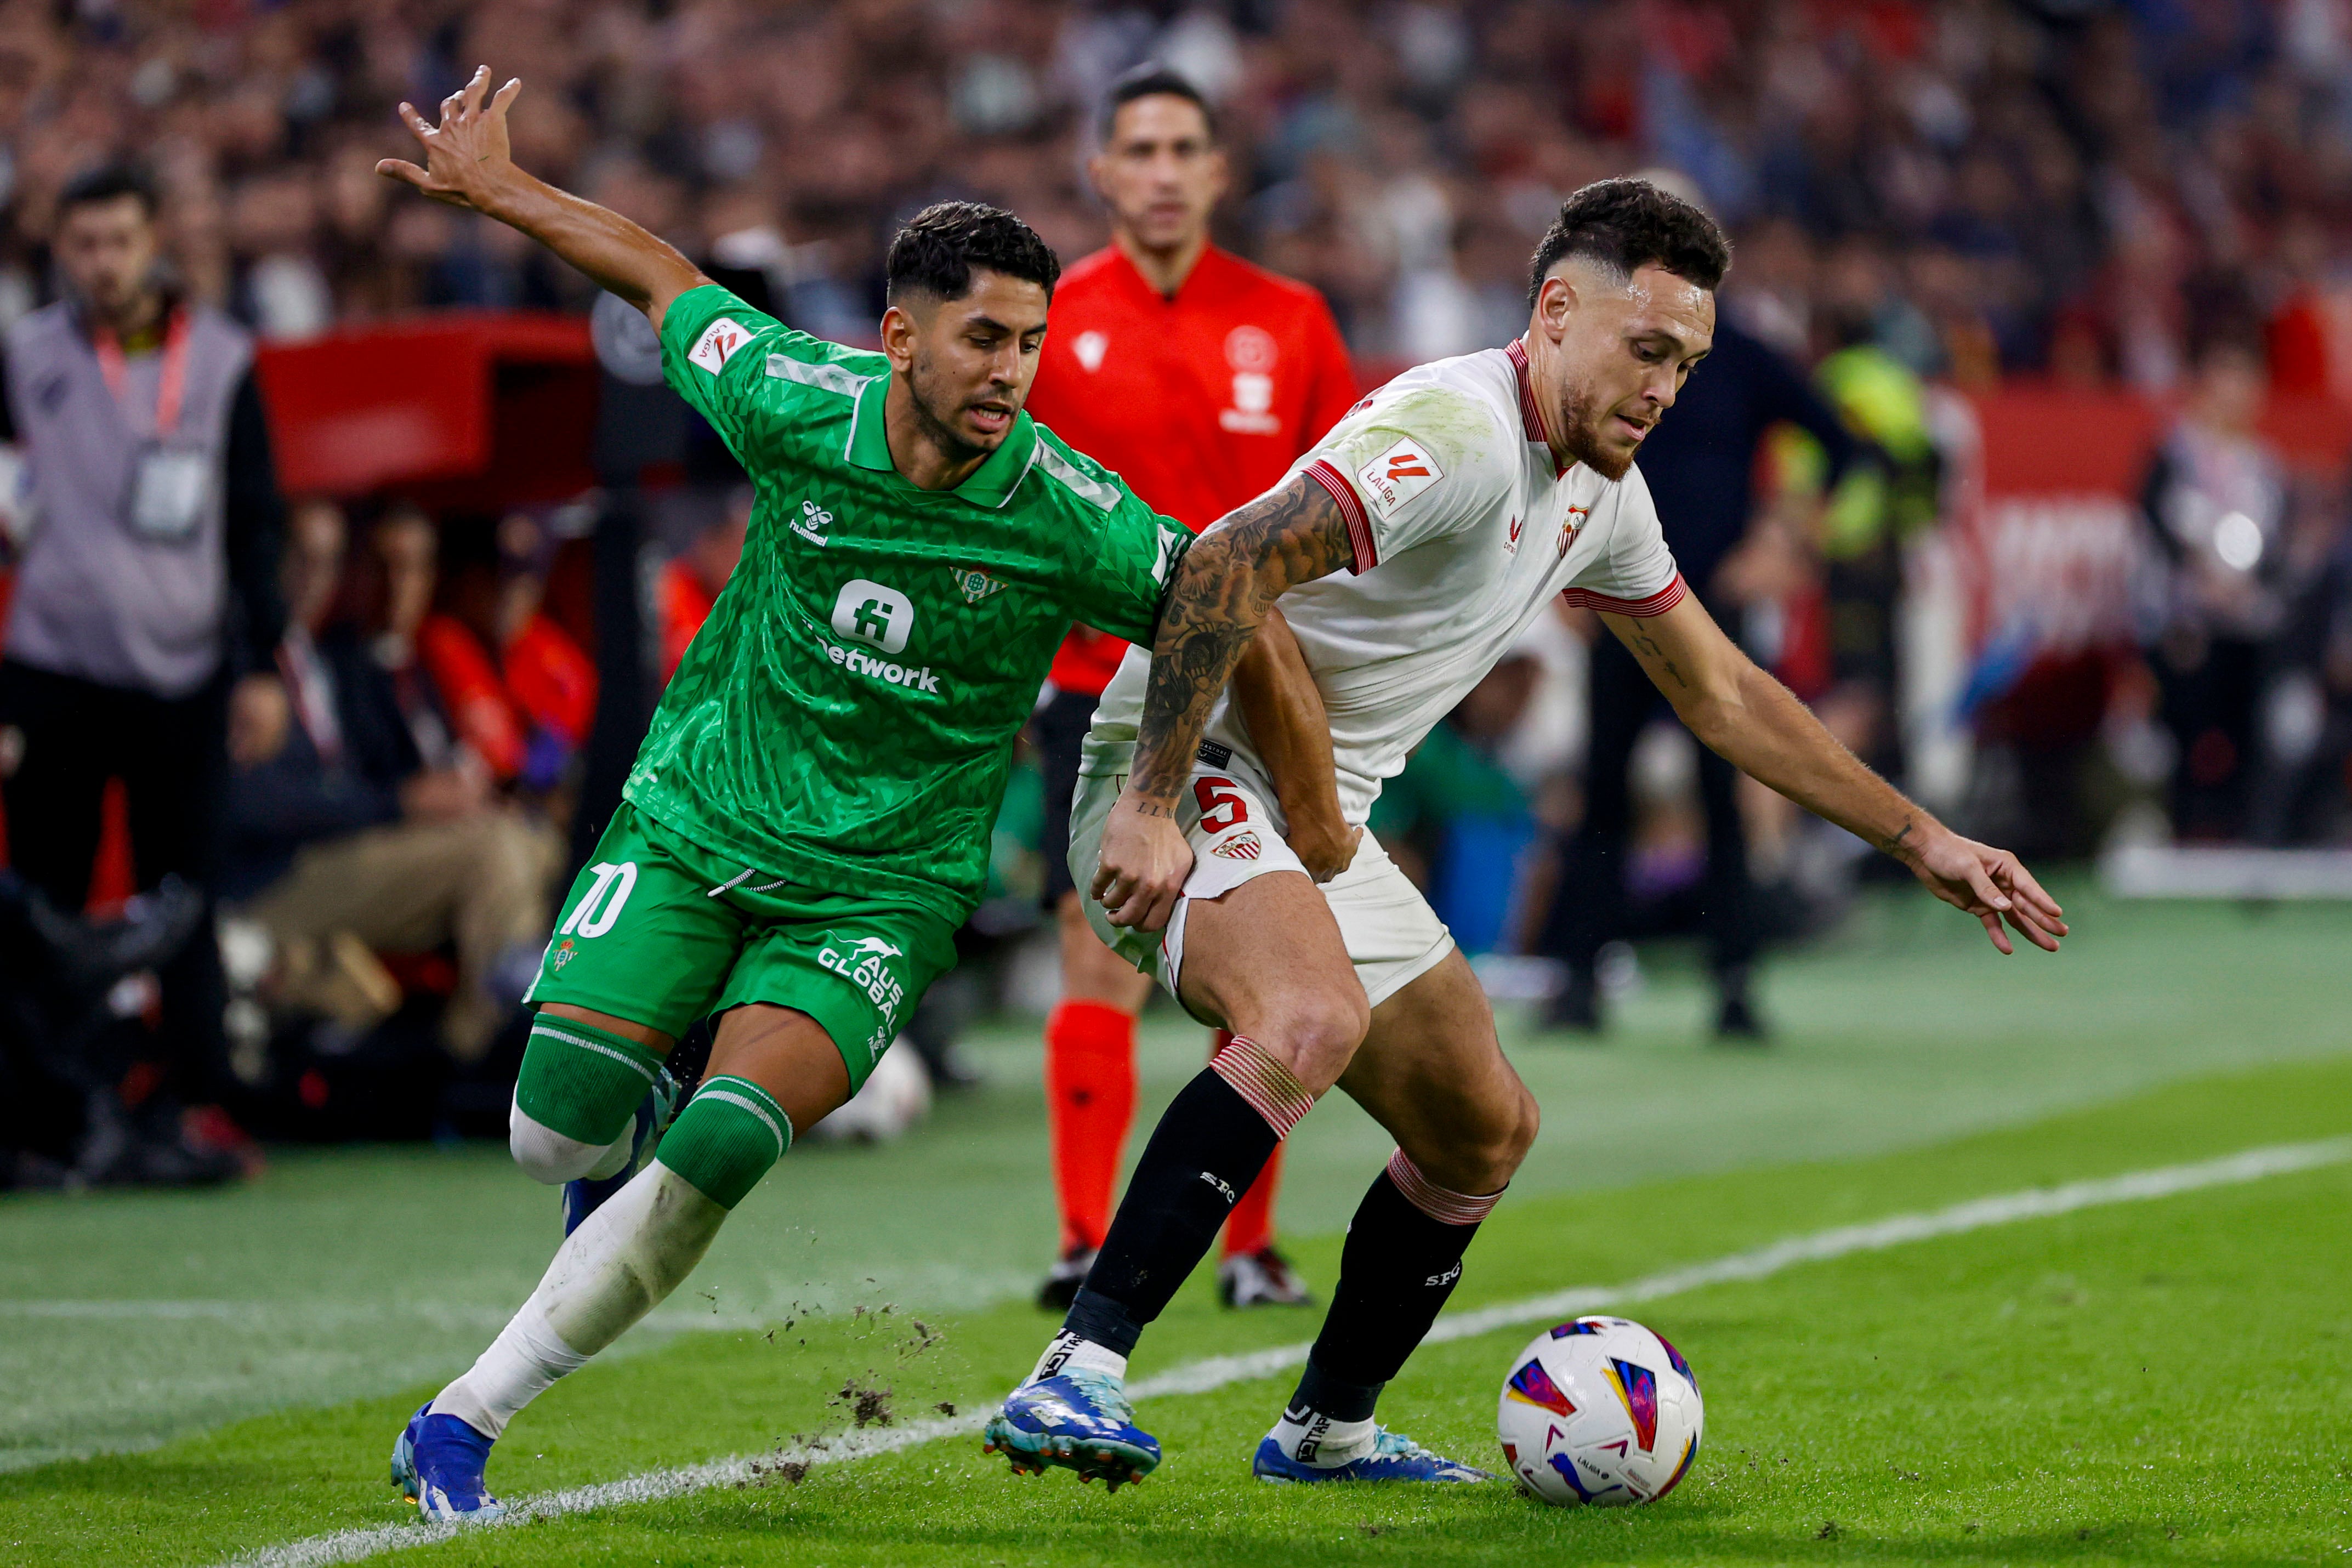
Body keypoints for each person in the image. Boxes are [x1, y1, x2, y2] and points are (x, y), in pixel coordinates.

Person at [987, 179, 2067, 1490]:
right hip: (1191, 763)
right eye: (1646, 349)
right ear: (1554, 313)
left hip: (1316, 817)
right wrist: (1150, 802)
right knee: (1308, 1017)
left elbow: (1717, 695)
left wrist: (1918, 837)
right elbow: (1221, 559)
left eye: (1685, 362)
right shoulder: (1455, 430)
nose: (1664, 385)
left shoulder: (1600, 494)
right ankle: (1073, 1372)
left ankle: (1324, 1425)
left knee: (1480, 1129)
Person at [366, 67, 1337, 1520]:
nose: (1013, 372)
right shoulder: (796, 401)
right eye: (983, 339)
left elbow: (1221, 598)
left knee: (726, 1140)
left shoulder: (1064, 510)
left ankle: (462, 1419)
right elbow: (662, 276)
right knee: (551, 1133)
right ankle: (610, 1153)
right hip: (696, 820)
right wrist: (500, 189)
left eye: (1031, 341)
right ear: (898, 336)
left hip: (883, 884)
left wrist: (1237, 805)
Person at [1019, 64, 1361, 1311]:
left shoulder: (1291, 320)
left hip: (1259, 683)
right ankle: (1075, 1236)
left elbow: (1344, 515)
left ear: (1217, 173)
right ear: (1100, 172)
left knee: (1270, 960)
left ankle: (1245, 1247)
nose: (1161, 171)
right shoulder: (1049, 323)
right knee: (1093, 946)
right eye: (1138, 149)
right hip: (1094, 681)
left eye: (1182, 149)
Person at [0, 161, 288, 1117]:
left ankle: (198, 1108)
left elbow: (256, 525)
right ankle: (46, 1116)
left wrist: (259, 667)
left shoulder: (221, 360)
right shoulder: (22, 357)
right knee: (45, 903)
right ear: (59, 250)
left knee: (189, 900)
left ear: (154, 240)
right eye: (84, 244)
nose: (104, 263)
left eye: (120, 241)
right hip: (54, 671)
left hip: (187, 673)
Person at [1538, 297, 1856, 1041]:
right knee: (1602, 793)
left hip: (1711, 610)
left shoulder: (1742, 353)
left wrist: (1784, 542)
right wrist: (1557, 566)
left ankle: (1735, 985)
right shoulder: (1604, 352)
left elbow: (1839, 444)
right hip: (1617, 602)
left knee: (1721, 799)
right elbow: (1550, 455)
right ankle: (1579, 982)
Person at [223, 500, 556, 1065]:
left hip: (343, 860)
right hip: (273, 876)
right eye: (300, 558)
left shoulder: (322, 660)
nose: (312, 579)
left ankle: (520, 1028)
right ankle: (485, 1051)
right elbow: (254, 801)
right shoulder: (247, 661)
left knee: (537, 843)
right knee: (492, 848)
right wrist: (402, 801)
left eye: (327, 562)